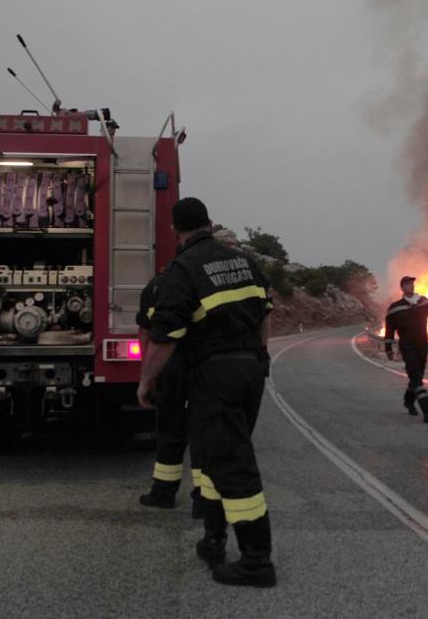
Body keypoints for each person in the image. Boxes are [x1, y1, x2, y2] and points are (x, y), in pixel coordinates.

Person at [137, 197, 276, 588]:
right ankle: (213, 540)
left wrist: (147, 380)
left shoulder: (183, 270)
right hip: (250, 370)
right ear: (210, 224)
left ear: (174, 230)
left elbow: (165, 336)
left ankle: (256, 561)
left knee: (231, 463)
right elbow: (265, 315)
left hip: (216, 376)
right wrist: (258, 355)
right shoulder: (244, 262)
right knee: (215, 457)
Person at [135, 272, 202, 518]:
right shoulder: (203, 280)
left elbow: (145, 333)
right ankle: (204, 498)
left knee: (169, 428)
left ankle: (163, 493)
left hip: (168, 364)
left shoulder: (154, 286)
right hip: (202, 365)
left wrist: (148, 373)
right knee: (203, 430)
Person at [384, 276, 428, 423]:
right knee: (415, 375)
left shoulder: (423, 302)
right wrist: (388, 348)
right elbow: (389, 330)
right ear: (402, 287)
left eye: (412, 284)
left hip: (422, 345)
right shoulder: (395, 308)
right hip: (407, 346)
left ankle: (408, 402)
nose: (411, 286)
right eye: (407, 284)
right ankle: (427, 411)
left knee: (417, 377)